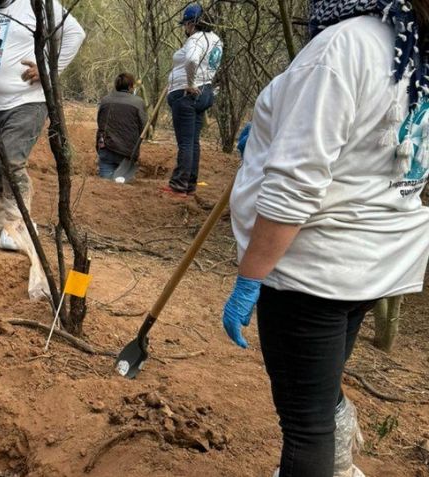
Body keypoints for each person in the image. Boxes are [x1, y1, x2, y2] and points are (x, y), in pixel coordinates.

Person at [221, 1, 429, 476]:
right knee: (319, 389)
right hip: (371, 265)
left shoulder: (343, 46)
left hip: (312, 271)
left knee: (305, 424)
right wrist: (272, 135)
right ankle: (337, 464)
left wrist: (249, 278)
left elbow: (296, 185)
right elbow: (377, 148)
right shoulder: (410, 48)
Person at [0, 0, 85, 251]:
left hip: (27, 100)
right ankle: (2, 219)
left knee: (11, 161)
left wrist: (47, 69)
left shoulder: (37, 4)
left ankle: (18, 222)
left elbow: (75, 33)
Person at [160, 3, 222, 198]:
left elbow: (192, 60)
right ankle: (190, 183)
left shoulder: (195, 39)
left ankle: (178, 185)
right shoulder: (216, 40)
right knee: (193, 142)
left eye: (185, 24)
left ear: (191, 23)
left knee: (185, 142)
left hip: (187, 96)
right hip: (204, 93)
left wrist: (189, 82)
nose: (185, 29)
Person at [95, 73, 147, 179]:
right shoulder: (138, 102)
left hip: (106, 148)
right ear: (130, 87)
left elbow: (100, 121)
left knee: (106, 186)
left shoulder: (105, 100)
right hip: (128, 152)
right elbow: (143, 127)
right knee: (121, 186)